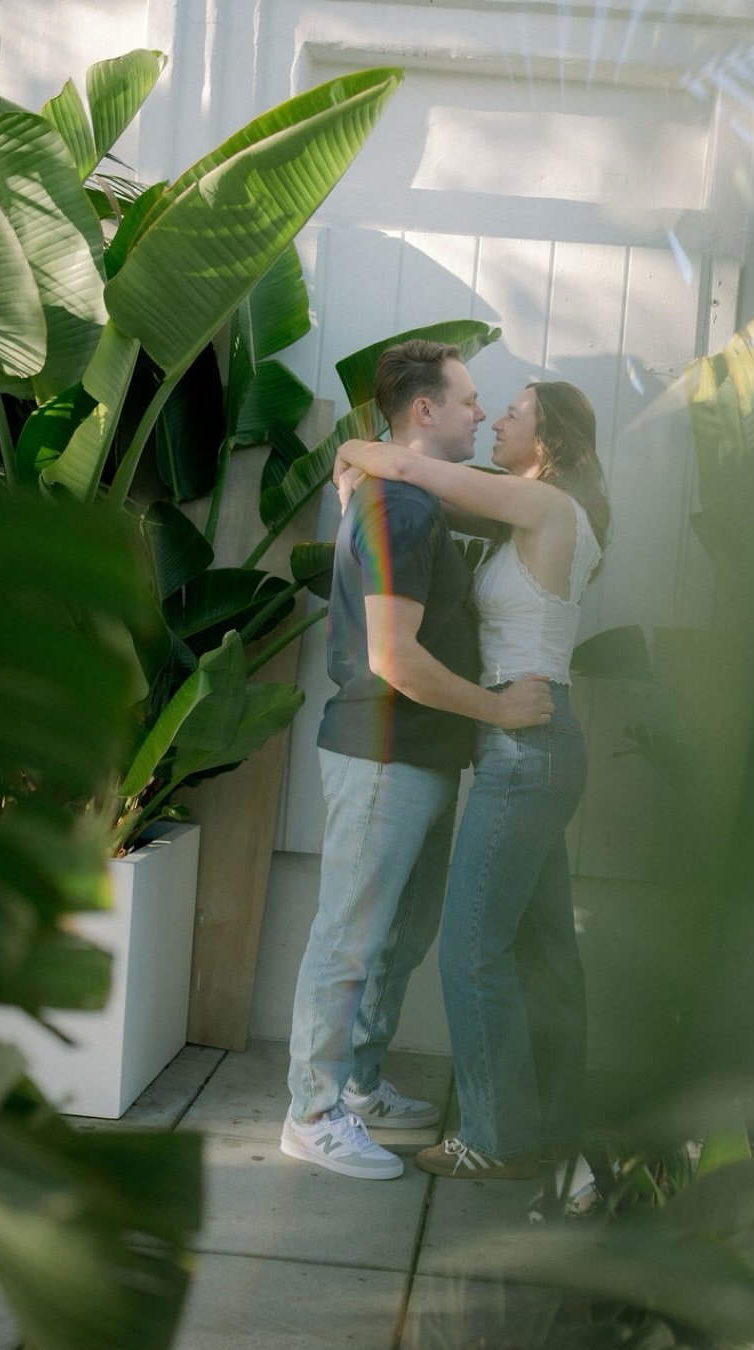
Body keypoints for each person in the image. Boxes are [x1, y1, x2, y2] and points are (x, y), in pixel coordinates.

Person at [280, 341, 555, 1181]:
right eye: (469, 400)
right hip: (384, 751)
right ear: (423, 411)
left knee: (399, 936)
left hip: (426, 755)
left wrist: (360, 448)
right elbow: (395, 658)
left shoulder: (418, 498)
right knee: (351, 940)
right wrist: (502, 709)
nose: (482, 412)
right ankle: (312, 1112)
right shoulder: (395, 508)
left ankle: (357, 1085)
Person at [334, 378, 610, 1180]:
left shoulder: (548, 508)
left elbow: (415, 473)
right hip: (537, 743)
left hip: (526, 746)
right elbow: (425, 495)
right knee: (544, 948)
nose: (495, 421)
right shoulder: (529, 512)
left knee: (470, 950)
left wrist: (351, 449)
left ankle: (491, 1139)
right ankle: (551, 1122)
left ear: (548, 441)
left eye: (514, 415)